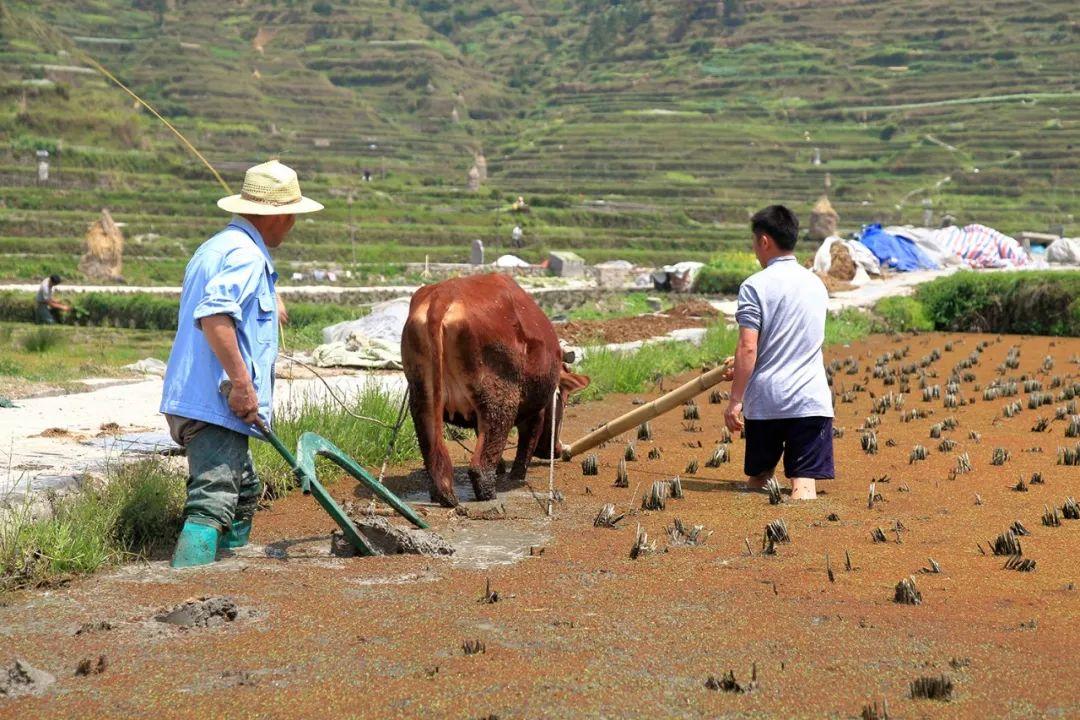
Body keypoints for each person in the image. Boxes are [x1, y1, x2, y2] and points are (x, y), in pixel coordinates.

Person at [160, 160, 323, 568]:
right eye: (293, 218)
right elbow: (214, 316)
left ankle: (228, 568)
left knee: (245, 491)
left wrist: (270, 296)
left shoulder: (220, 247)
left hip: (197, 397)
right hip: (214, 402)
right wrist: (242, 384)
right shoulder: (247, 256)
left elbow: (226, 301)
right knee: (212, 501)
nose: (293, 226)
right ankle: (184, 590)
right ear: (280, 216)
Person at [724, 205, 834, 500]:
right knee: (804, 487)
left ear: (764, 241)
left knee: (758, 483)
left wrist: (735, 401)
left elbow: (749, 347)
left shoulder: (754, 286)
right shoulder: (816, 284)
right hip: (810, 401)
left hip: (767, 402)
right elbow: (791, 339)